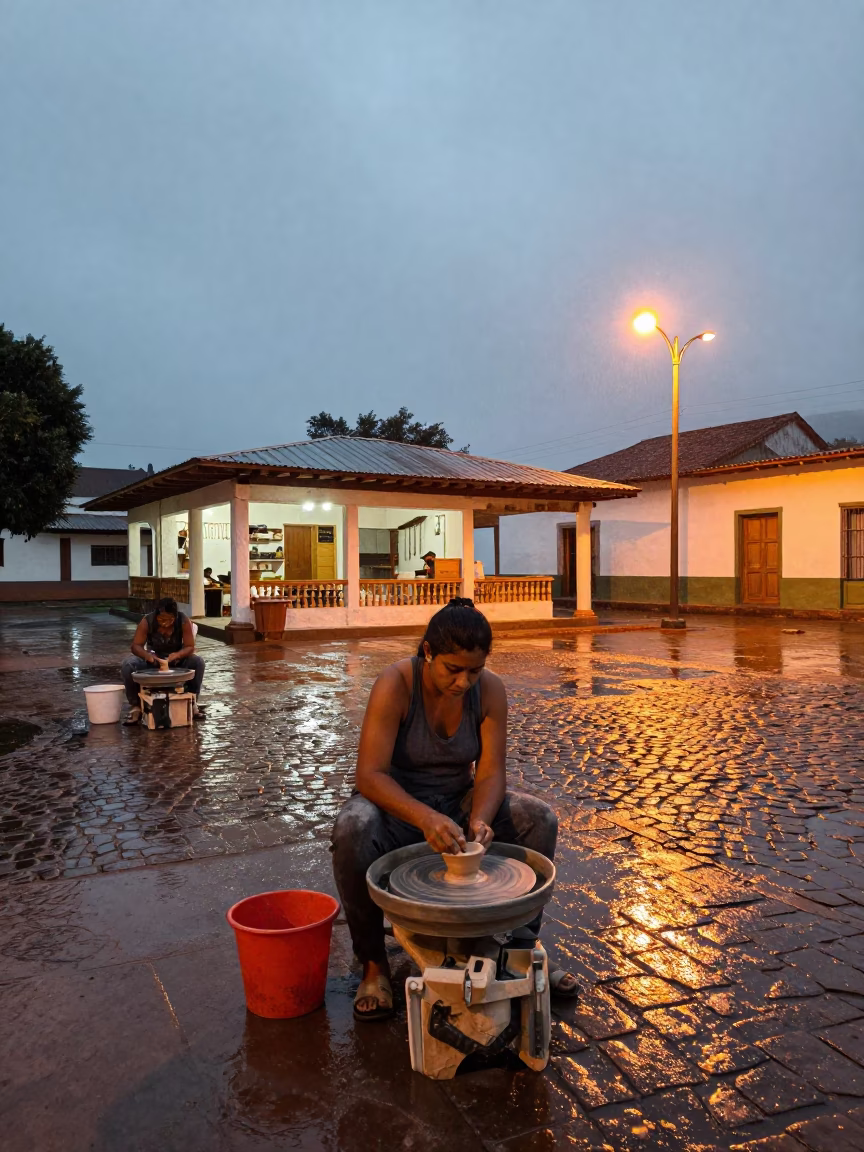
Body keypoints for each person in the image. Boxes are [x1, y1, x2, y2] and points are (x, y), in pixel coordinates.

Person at [331, 597, 577, 1021]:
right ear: (427, 652)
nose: (464, 682)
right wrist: (425, 817)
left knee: (538, 819)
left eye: (474, 670)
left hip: (458, 801)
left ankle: (521, 950)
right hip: (399, 806)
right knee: (352, 828)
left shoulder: (491, 690)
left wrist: (480, 818)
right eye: (453, 669)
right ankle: (373, 962)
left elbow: (491, 773)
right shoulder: (396, 683)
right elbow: (369, 775)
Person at [121, 597, 205, 724]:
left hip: (175, 659)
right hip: (153, 660)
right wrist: (148, 656)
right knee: (128, 665)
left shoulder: (183, 621)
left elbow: (189, 646)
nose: (165, 623)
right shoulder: (147, 621)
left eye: (169, 619)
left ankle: (192, 702)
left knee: (198, 662)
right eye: (161, 619)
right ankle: (136, 706)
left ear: (175, 616)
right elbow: (136, 646)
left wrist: (177, 655)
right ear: (156, 615)